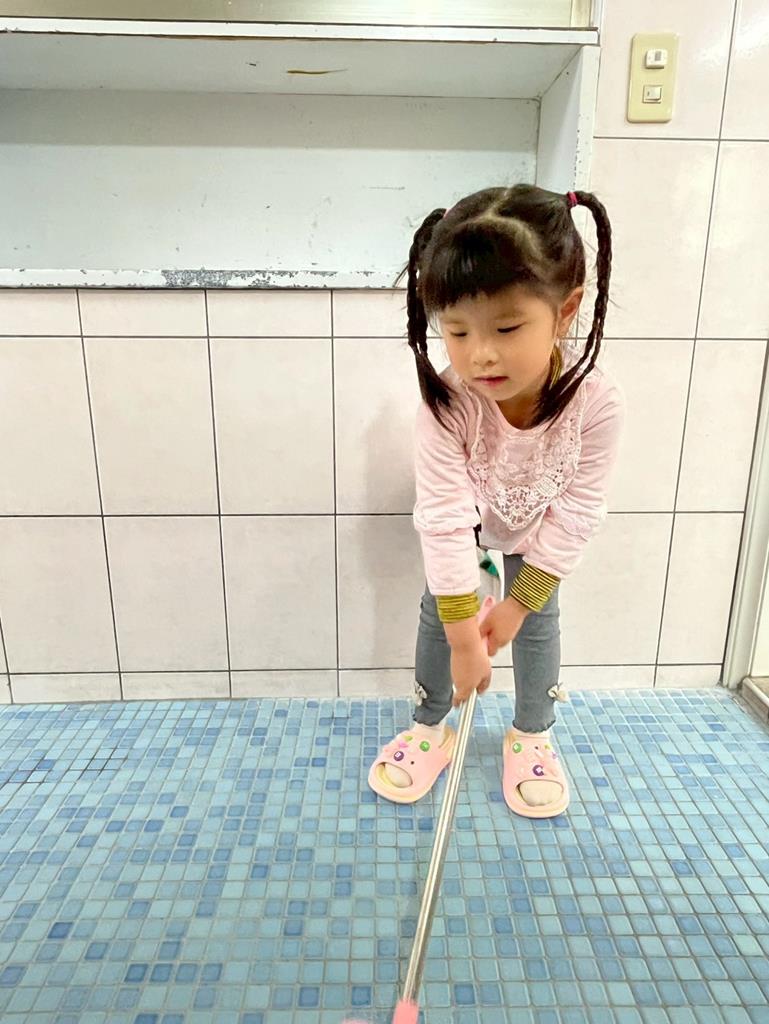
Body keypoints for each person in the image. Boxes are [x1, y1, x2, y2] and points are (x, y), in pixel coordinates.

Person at [368, 184, 623, 818]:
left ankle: (532, 733)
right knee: (440, 612)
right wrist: (465, 639)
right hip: (468, 528)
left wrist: (514, 606)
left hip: (541, 531)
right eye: (456, 331)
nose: (480, 353)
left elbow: (575, 516)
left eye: (507, 328)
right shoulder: (448, 403)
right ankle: (431, 725)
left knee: (538, 620)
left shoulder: (597, 405)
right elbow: (444, 522)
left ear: (566, 310)